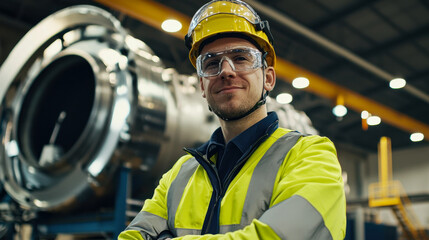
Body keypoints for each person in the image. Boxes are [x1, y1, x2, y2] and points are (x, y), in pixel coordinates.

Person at [118, 0, 346, 239]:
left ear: (268, 79)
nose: (226, 71)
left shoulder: (310, 156)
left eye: (241, 58)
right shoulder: (178, 174)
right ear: (202, 86)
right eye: (211, 63)